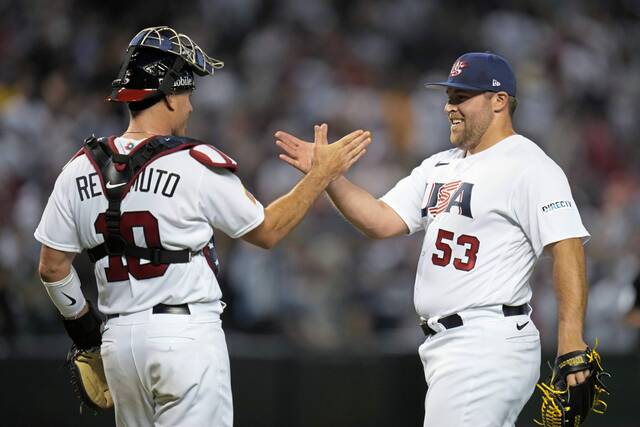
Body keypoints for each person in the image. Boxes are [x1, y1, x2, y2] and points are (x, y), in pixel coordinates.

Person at [34, 26, 370, 427]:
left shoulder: (78, 169)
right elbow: (267, 231)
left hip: (118, 344)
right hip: (184, 337)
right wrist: (321, 175)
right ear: (171, 96)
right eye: (187, 93)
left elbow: (52, 267)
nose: (190, 106)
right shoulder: (193, 162)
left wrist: (87, 336)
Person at [275, 52, 592, 426]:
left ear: (499, 101)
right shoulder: (440, 164)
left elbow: (567, 246)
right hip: (448, 346)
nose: (448, 108)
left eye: (461, 98)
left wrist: (571, 339)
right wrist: (328, 176)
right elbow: (381, 220)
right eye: (449, 97)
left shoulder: (530, 166)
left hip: (487, 341)